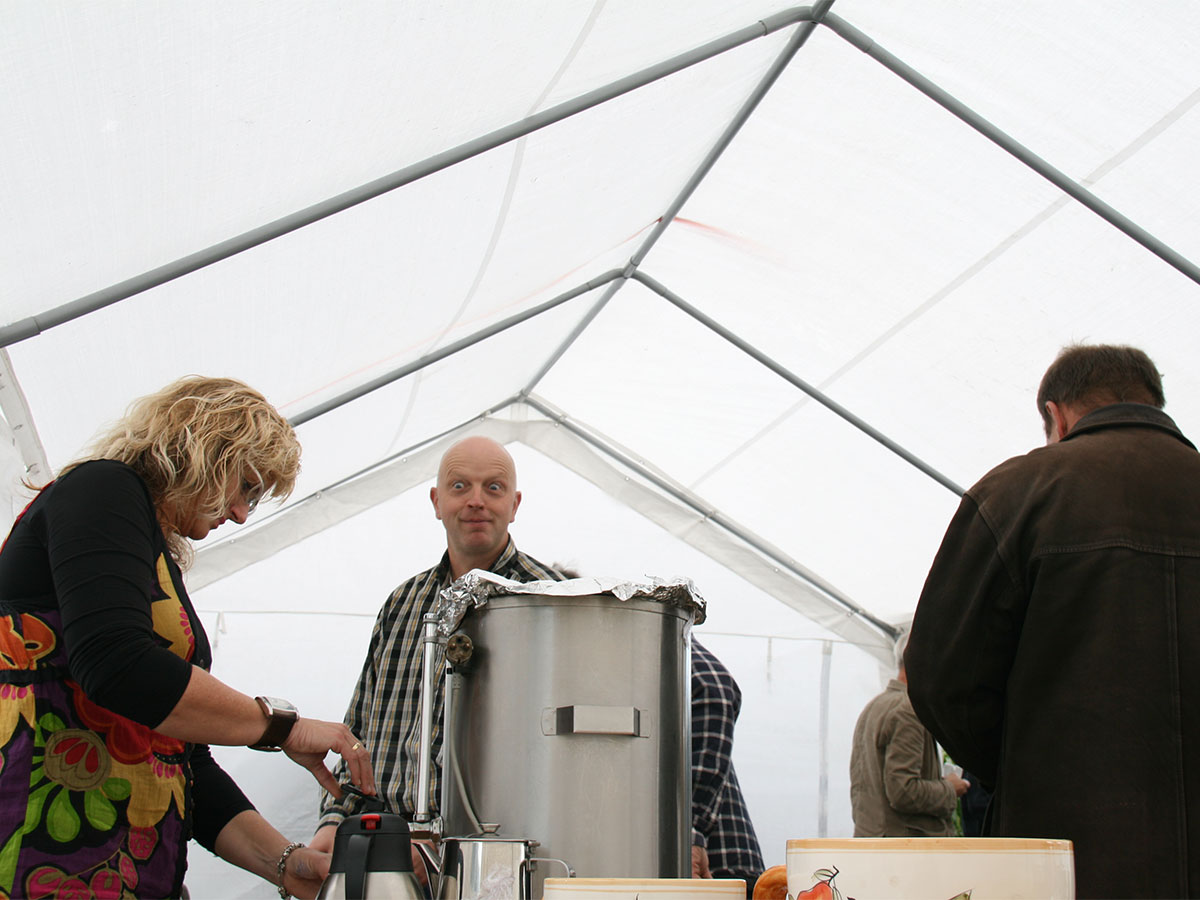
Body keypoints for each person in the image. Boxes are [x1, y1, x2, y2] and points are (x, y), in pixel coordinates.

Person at [0, 376, 375, 900]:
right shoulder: (102, 488)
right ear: (203, 450)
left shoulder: (149, 552)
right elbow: (114, 663)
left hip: (127, 872)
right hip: (40, 862)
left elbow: (182, 757)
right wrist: (281, 728)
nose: (241, 513)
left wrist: (288, 864)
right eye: (247, 486)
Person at [905, 344, 1200, 899]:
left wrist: (1023, 762)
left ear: (1056, 415)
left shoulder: (1019, 493)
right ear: (1154, 403)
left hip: (1064, 859)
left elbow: (941, 678)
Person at [315, 436, 562, 857]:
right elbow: (357, 735)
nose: (476, 501)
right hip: (385, 851)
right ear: (436, 501)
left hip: (497, 858)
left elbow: (565, 761)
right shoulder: (401, 604)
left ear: (515, 505)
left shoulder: (551, 603)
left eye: (493, 488)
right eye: (460, 486)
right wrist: (333, 822)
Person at [849, 631, 968, 837]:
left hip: (875, 840)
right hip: (902, 846)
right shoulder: (909, 711)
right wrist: (950, 788)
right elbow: (903, 791)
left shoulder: (874, 707)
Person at [690, 638, 764, 896]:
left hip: (715, 868)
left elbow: (713, 686)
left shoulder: (660, 628)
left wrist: (691, 830)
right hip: (718, 864)